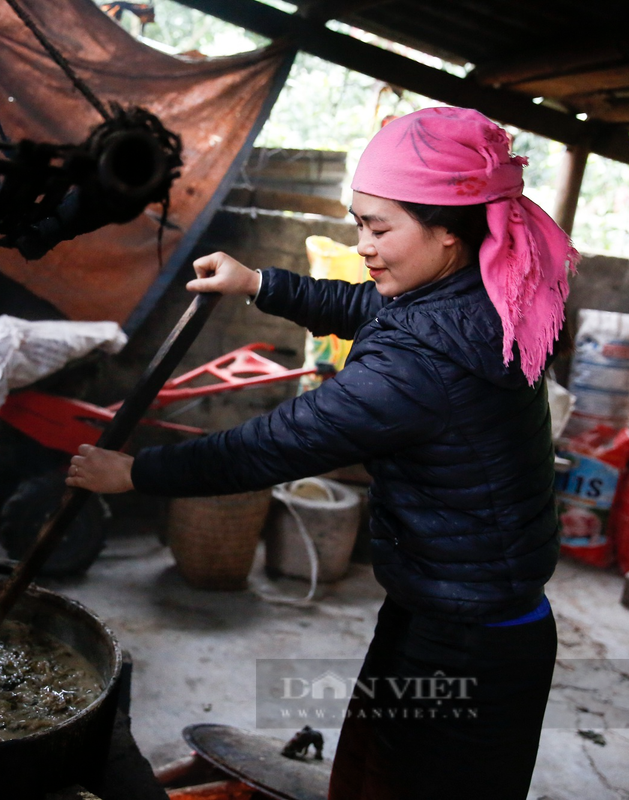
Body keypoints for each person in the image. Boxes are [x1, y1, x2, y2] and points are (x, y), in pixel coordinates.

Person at [65, 107, 579, 799]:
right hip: (451, 604)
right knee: (371, 773)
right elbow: (367, 307)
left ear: (450, 233)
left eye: (379, 227)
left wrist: (135, 472)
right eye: (358, 222)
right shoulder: (474, 291)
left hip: (472, 642)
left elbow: (273, 446)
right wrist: (258, 284)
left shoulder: (423, 363)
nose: (363, 243)